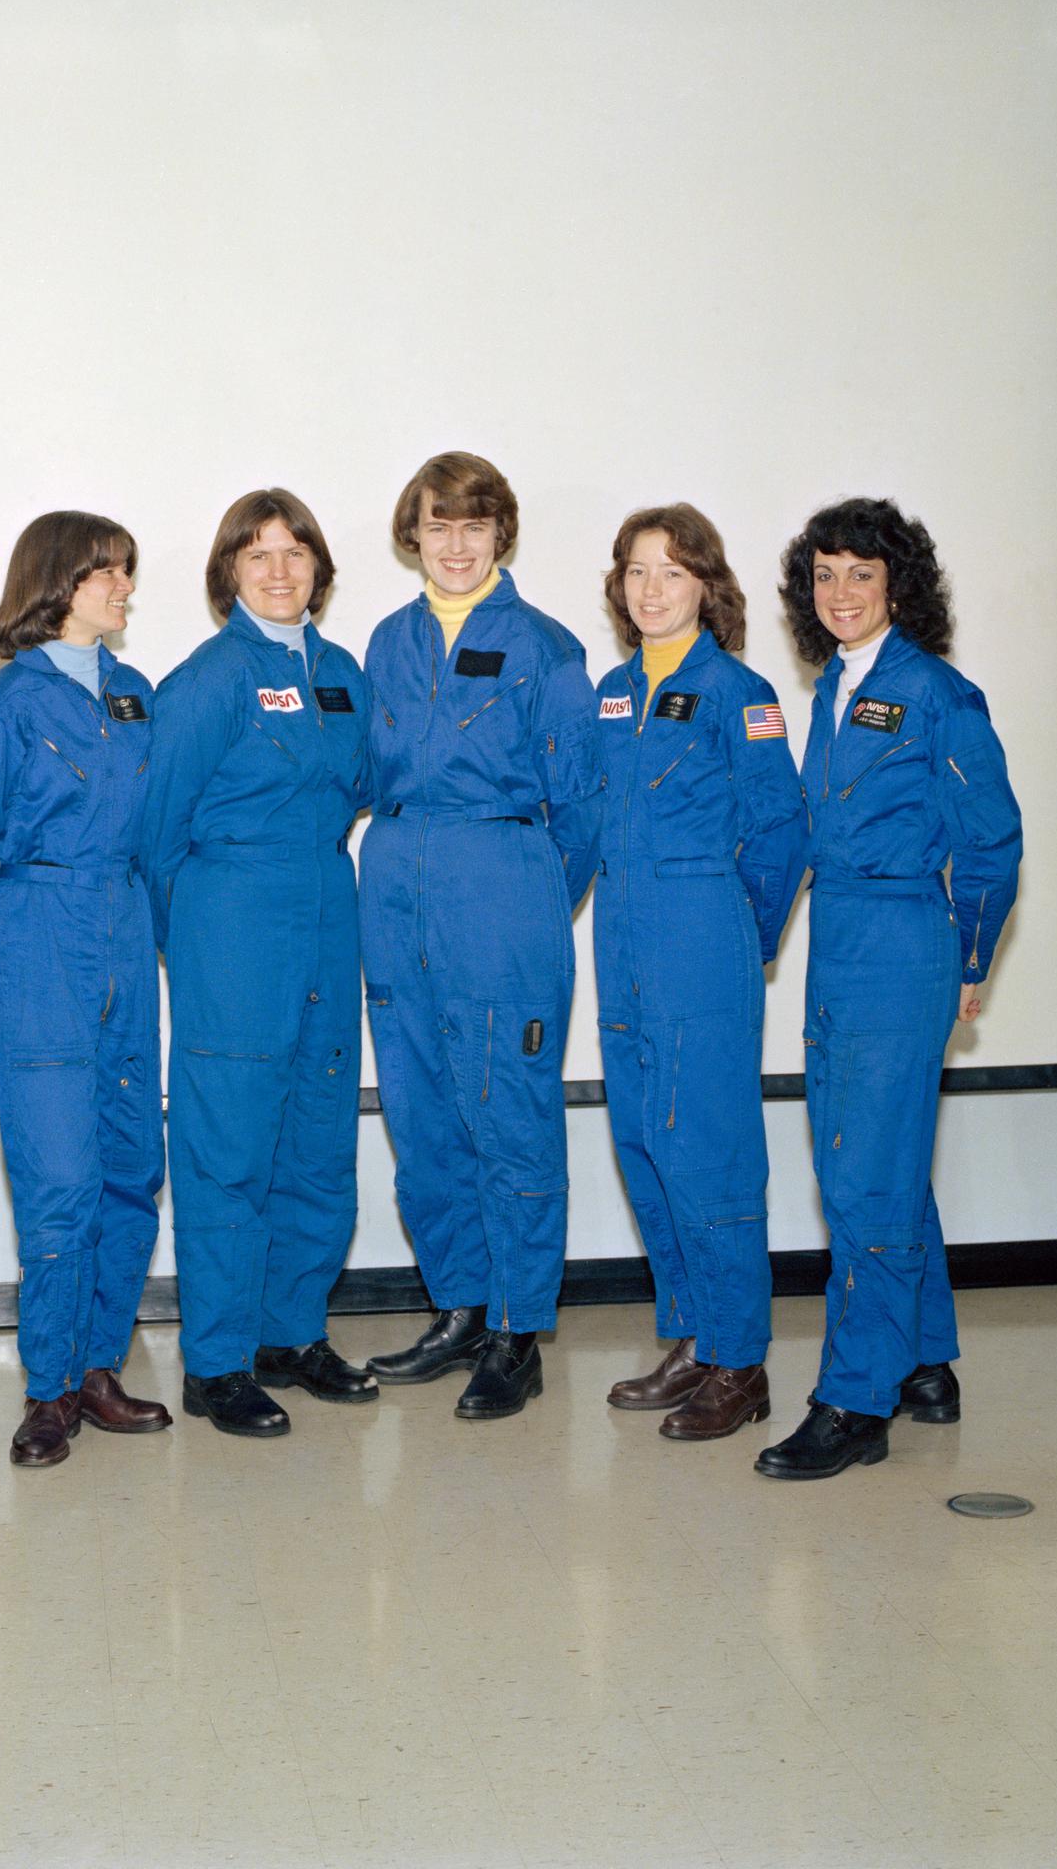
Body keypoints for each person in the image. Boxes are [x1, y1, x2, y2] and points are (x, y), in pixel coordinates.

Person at [756, 497, 1022, 1480]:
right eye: (824, 575)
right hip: (841, 941)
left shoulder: (937, 695)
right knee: (883, 1163)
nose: (840, 593)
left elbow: (992, 840)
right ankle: (925, 1363)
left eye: (860, 574)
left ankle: (854, 1400)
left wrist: (968, 957)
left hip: (904, 940)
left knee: (862, 1175)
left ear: (898, 586)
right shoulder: (834, 688)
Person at [359, 452, 602, 1417]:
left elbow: (579, 809)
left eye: (474, 527)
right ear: (412, 534)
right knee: (422, 1117)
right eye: (437, 526)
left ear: (501, 535)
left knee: (511, 1114)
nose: (455, 546)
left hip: (499, 890)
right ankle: (459, 1305)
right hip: (397, 883)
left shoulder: (547, 647)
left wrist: (528, 891)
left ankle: (517, 1328)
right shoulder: (386, 641)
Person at [0, 512, 169, 1468]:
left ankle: (100, 1365)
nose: (122, 590)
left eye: (125, 575)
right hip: (38, 934)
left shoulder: (135, 695)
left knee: (128, 1167)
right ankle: (48, 1387)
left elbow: (153, 828)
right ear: (56, 582)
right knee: (59, 1176)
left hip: (121, 930)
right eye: (107, 574)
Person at [140, 489, 373, 1437]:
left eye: (295, 553)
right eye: (257, 556)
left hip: (327, 912)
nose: (279, 572)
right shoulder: (204, 682)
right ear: (228, 573)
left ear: (318, 565)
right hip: (234, 925)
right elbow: (157, 837)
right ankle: (219, 1361)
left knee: (318, 1141)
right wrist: (196, 942)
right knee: (227, 1148)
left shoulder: (345, 674)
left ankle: (291, 1333)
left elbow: (358, 786)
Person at [594, 505, 809, 1439]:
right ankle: (690, 1337)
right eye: (637, 572)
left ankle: (741, 1359)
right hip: (622, 936)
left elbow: (780, 832)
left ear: (706, 589)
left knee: (709, 1148)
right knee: (643, 1139)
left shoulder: (739, 690)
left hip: (698, 931)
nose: (651, 590)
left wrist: (743, 938)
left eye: (672, 573)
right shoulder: (609, 690)